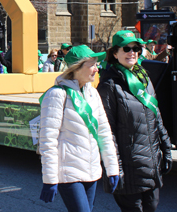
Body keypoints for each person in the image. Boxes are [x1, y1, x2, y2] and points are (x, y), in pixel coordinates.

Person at [97, 30, 172, 212]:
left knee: (152, 207)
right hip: (128, 166)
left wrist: (166, 147)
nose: (132, 52)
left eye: (136, 48)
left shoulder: (144, 78)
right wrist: (115, 168)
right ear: (115, 53)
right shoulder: (109, 85)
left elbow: (156, 116)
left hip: (151, 162)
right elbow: (108, 131)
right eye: (126, 49)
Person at [39, 45, 119, 212]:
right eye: (92, 64)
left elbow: (104, 133)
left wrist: (112, 169)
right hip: (68, 173)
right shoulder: (57, 94)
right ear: (77, 67)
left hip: (92, 171)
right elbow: (48, 140)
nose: (97, 69)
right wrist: (50, 179)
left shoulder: (93, 94)